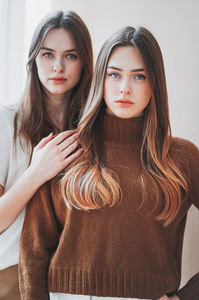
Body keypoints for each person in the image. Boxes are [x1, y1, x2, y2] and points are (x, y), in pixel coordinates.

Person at [19, 26, 199, 300]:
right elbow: (33, 249)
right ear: (100, 81)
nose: (124, 88)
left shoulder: (181, 157)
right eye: (114, 74)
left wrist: (187, 297)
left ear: (155, 83)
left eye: (139, 76)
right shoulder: (63, 149)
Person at [0, 10, 93, 300]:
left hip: (78, 282)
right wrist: (36, 172)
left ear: (85, 63)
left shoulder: (95, 133)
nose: (58, 67)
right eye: (48, 54)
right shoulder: (6, 124)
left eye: (71, 56)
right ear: (33, 60)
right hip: (14, 276)